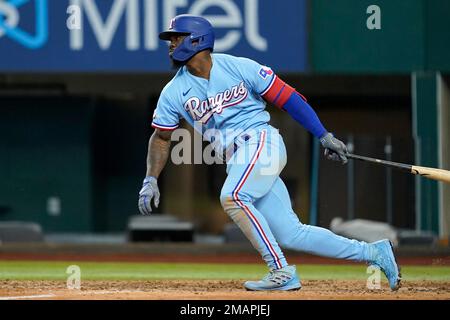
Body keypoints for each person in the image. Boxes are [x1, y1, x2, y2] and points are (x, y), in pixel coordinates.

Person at [138, 14, 401, 291]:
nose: (171, 44)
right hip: (239, 160)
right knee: (291, 233)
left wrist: (323, 135)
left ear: (197, 40)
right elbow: (162, 138)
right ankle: (374, 252)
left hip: (262, 143)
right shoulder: (173, 92)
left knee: (234, 196)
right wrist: (150, 179)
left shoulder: (238, 67)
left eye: (176, 37)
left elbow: (288, 98)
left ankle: (280, 270)